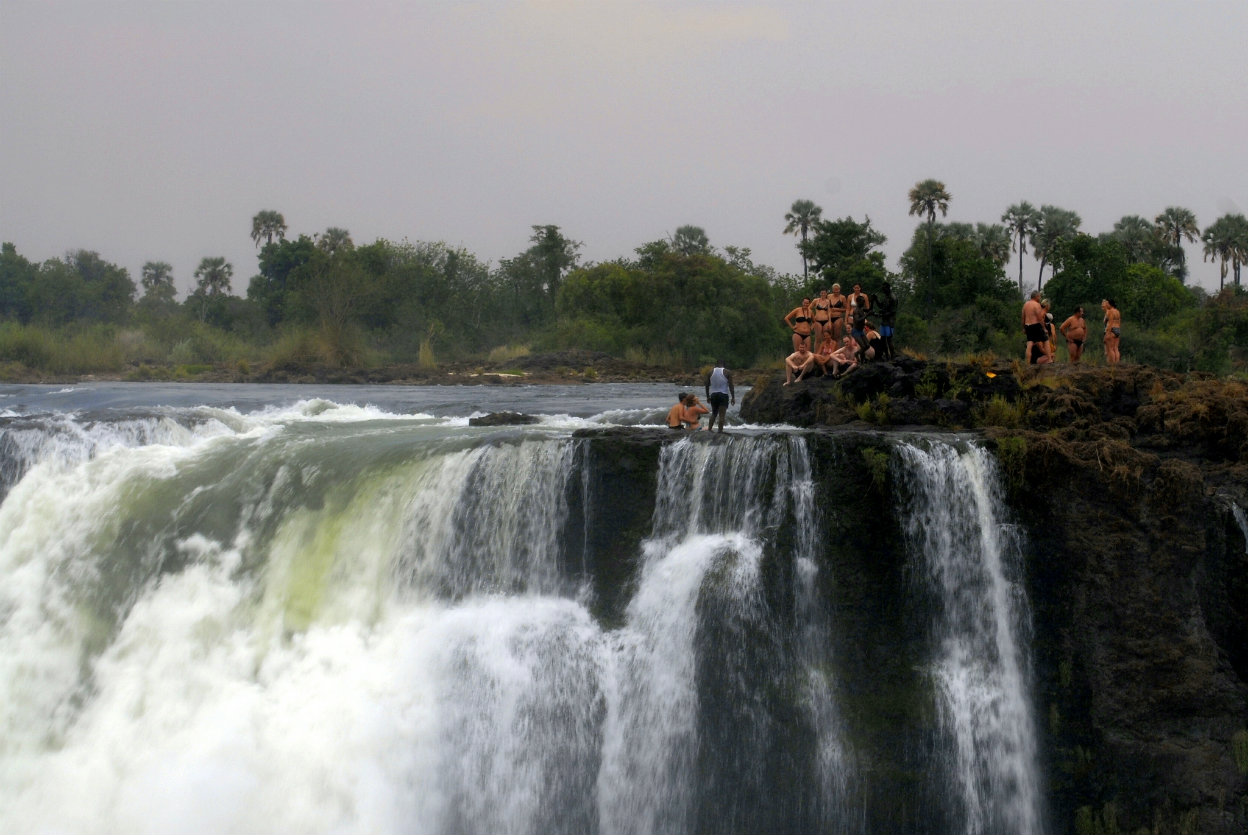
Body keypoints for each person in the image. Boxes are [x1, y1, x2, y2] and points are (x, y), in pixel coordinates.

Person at [704, 361, 735, 433]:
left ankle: (709, 429)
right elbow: (731, 385)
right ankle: (720, 431)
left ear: (716, 365)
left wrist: (708, 396)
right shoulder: (727, 372)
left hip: (713, 395)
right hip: (723, 394)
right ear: (723, 365)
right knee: (722, 415)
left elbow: (707, 385)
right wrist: (733, 397)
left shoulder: (710, 372)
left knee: (714, 413)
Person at [874, 282, 899, 360]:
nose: (883, 290)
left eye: (884, 288)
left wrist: (881, 315)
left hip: (889, 322)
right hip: (884, 321)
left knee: (889, 339)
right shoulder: (886, 297)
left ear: (888, 288)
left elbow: (892, 311)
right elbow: (881, 306)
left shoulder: (893, 298)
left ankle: (893, 356)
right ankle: (887, 356)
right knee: (883, 339)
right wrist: (876, 299)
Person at [1022, 290, 1047, 364]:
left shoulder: (1025, 304)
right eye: (1039, 296)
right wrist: (1044, 328)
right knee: (1046, 340)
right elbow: (1040, 318)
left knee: (1029, 344)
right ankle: (1049, 359)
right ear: (1036, 297)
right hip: (1035, 325)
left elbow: (1023, 317)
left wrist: (1023, 327)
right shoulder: (1036, 304)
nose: (1040, 298)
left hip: (1028, 326)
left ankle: (1028, 363)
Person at [1102, 298, 1122, 364]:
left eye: (1107, 303)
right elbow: (1119, 322)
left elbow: (1110, 323)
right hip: (1118, 329)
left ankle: (1113, 364)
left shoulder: (1110, 311)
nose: (1106, 305)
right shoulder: (1117, 311)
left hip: (1112, 329)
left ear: (1110, 304)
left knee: (1110, 349)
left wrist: (1107, 333)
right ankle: (1117, 363)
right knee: (1116, 348)